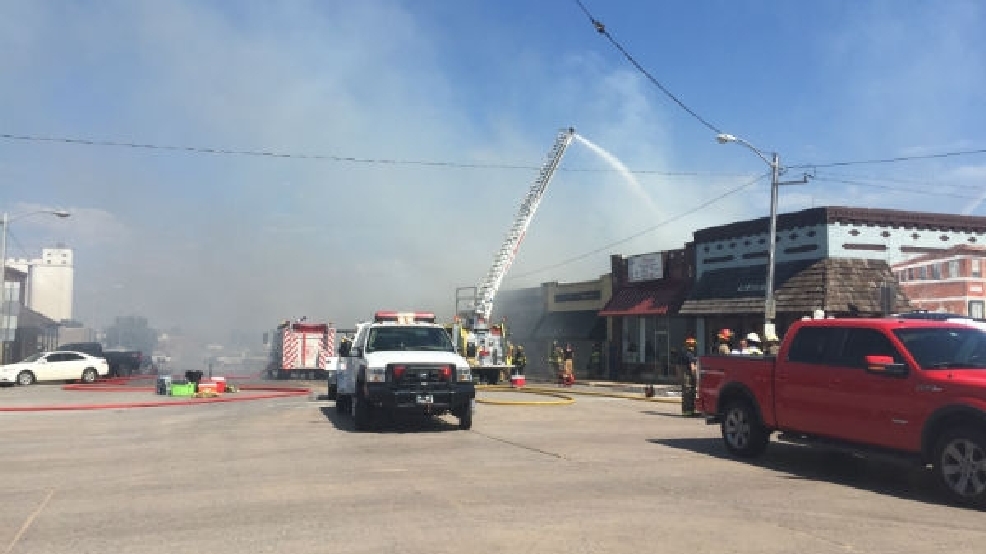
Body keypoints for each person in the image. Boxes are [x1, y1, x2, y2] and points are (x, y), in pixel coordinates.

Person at [681, 337, 699, 416]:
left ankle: (687, 411)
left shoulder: (684, 354)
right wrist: (696, 377)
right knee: (689, 393)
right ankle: (689, 411)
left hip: (685, 375)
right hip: (689, 375)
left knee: (687, 393)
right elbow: (692, 367)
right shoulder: (690, 355)